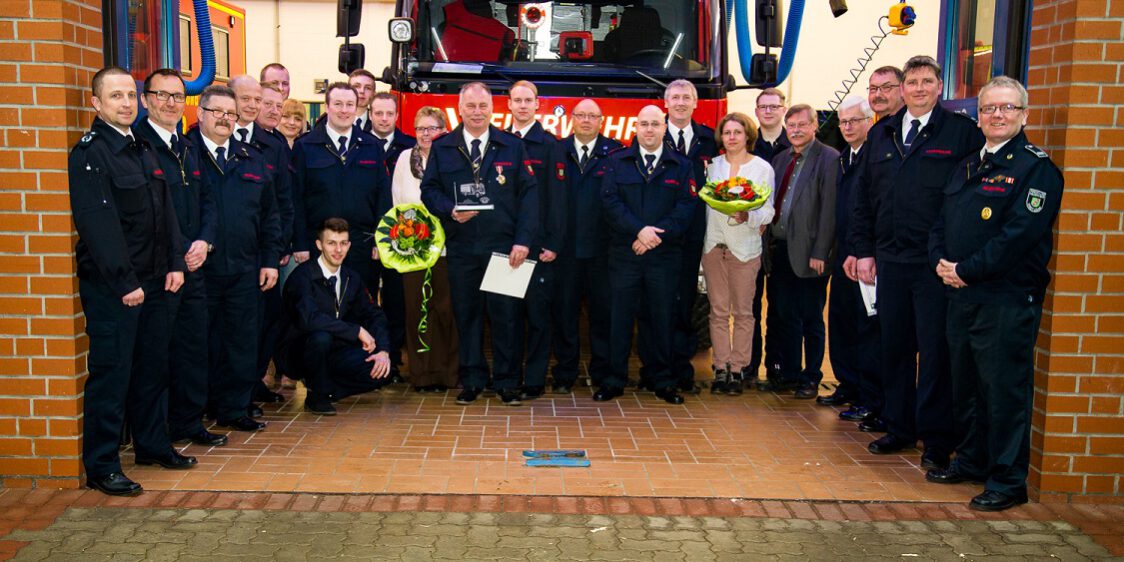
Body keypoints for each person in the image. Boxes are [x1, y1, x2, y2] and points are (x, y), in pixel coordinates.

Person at [926, 76, 1063, 512]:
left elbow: (1018, 236)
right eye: (989, 109)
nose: (997, 115)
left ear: (1024, 115)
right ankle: (971, 459)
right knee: (965, 385)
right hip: (962, 295)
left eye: (1007, 108)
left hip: (1005, 299)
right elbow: (940, 222)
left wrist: (966, 270)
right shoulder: (968, 163)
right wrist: (941, 263)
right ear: (978, 115)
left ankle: (1007, 480)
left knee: (1003, 392)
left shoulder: (1035, 168)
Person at [847, 55, 984, 469]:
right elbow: (863, 199)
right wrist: (863, 249)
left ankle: (937, 438)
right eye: (912, 81)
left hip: (934, 265)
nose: (919, 88)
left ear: (939, 87)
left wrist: (955, 255)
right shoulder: (882, 133)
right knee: (895, 348)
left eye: (927, 81)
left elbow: (970, 197)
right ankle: (900, 427)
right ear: (901, 89)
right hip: (889, 260)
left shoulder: (961, 134)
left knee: (935, 352)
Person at [70, 67, 191, 495]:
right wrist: (125, 283)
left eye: (130, 95)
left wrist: (175, 262)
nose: (125, 103)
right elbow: (97, 225)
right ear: (96, 104)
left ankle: (152, 444)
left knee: (153, 367)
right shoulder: (90, 153)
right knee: (112, 374)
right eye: (115, 95)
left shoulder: (141, 148)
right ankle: (102, 465)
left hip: (158, 281)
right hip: (115, 289)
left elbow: (166, 213)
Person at [420, 81, 538, 406]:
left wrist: (523, 241)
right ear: (459, 109)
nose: (476, 112)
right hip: (462, 249)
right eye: (470, 106)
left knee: (507, 317)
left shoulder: (511, 146)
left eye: (482, 106)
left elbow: (529, 197)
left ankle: (507, 382)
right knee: (467, 316)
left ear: (492, 108)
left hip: (504, 249)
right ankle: (472, 379)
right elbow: (429, 191)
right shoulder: (443, 146)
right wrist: (450, 210)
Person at [135, 69, 226, 448]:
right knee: (157, 358)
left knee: (193, 348)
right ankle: (154, 440)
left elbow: (207, 200)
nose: (171, 103)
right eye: (162, 95)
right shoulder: (138, 146)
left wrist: (204, 241)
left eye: (177, 96)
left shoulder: (187, 147)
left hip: (194, 264)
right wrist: (181, 251)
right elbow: (151, 213)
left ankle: (188, 422)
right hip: (163, 269)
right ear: (146, 100)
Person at [187, 84, 282, 433]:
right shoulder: (187, 153)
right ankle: (200, 409)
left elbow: (270, 216)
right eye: (218, 112)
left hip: (245, 267)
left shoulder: (251, 157)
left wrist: (270, 259)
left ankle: (235, 408)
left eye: (230, 113)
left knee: (242, 340)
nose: (226, 119)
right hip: (201, 269)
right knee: (200, 342)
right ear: (200, 114)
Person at [600, 105, 695, 405]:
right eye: (644, 124)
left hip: (663, 256)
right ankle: (614, 379)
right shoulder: (617, 161)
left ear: (665, 127)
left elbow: (685, 208)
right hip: (625, 254)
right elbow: (609, 202)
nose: (650, 129)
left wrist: (654, 236)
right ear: (636, 127)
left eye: (655, 124)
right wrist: (638, 231)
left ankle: (662, 380)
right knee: (619, 319)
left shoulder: (681, 165)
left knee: (662, 318)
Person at [279, 218, 393, 414]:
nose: (338, 250)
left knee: (383, 370)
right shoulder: (302, 277)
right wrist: (356, 331)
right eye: (331, 243)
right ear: (319, 245)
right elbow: (309, 319)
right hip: (298, 352)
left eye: (343, 243)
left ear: (349, 245)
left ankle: (328, 390)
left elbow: (374, 315)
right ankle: (317, 396)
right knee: (320, 337)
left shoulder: (351, 277)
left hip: (336, 350)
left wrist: (383, 351)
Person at [291, 82, 391, 299]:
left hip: (361, 246)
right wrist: (299, 243)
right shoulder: (305, 146)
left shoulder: (372, 146)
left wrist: (380, 240)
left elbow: (383, 197)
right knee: (320, 307)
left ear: (357, 108)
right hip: (318, 244)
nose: (344, 110)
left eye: (349, 104)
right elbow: (295, 199)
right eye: (338, 104)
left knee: (362, 305)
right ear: (327, 106)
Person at [230, 75, 294, 409]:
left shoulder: (274, 145)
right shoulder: (206, 139)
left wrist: (279, 248)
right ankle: (232, 390)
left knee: (267, 321)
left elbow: (283, 202)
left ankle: (253, 382)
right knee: (234, 327)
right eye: (250, 100)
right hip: (228, 253)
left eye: (261, 101)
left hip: (266, 254)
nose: (255, 106)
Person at [549, 100, 622, 395]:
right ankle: (565, 372)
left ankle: (602, 371)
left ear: (602, 121)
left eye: (593, 116)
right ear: (572, 119)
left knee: (602, 315)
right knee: (564, 314)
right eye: (581, 115)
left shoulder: (616, 152)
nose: (587, 121)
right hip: (564, 250)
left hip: (603, 250)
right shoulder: (556, 150)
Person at [767, 104, 838, 399]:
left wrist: (821, 251)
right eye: (791, 126)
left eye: (801, 125)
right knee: (786, 314)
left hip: (811, 253)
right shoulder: (781, 158)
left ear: (814, 126)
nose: (795, 130)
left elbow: (829, 211)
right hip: (781, 250)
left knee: (810, 316)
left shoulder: (829, 158)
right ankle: (791, 372)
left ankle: (811, 376)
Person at [702, 113, 775, 395]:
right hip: (713, 247)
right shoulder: (712, 166)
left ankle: (738, 368)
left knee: (744, 312)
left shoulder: (761, 168)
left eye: (737, 132)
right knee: (718, 311)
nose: (732, 137)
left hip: (744, 249)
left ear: (748, 136)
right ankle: (720, 368)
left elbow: (768, 209)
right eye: (727, 132)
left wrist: (750, 216)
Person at [821, 96, 883, 426]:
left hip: (864, 258)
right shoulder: (844, 159)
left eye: (854, 121)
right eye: (842, 122)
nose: (847, 127)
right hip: (843, 255)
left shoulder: (873, 160)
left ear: (869, 122)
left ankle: (867, 395)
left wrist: (862, 251)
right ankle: (847, 383)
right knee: (842, 322)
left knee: (866, 327)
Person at [390, 106, 460, 393]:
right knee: (417, 312)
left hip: (447, 249)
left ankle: (446, 373)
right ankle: (421, 375)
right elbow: (396, 204)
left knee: (446, 311)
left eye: (432, 128)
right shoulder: (404, 159)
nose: (426, 134)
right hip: (414, 250)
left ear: (443, 131)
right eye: (421, 128)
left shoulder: (452, 158)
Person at [507, 80, 563, 400]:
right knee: (508, 316)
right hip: (507, 246)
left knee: (539, 317)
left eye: (529, 100)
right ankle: (509, 376)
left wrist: (553, 243)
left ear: (537, 104)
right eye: (518, 100)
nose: (524, 105)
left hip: (539, 248)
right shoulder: (499, 142)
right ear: (510, 105)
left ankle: (534, 378)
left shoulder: (551, 145)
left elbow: (557, 201)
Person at [661, 79, 717, 394]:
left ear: (695, 104)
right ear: (665, 103)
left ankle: (681, 370)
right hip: (661, 234)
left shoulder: (709, 140)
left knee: (685, 303)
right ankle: (656, 367)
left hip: (693, 233)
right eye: (675, 97)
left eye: (686, 97)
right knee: (657, 303)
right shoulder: (650, 135)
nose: (681, 102)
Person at [368, 91, 417, 382]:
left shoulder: (409, 147)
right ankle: (368, 354)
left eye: (390, 114)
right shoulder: (359, 144)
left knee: (397, 299)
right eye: (379, 113)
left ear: (397, 116)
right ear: (370, 114)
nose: (384, 119)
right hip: (367, 238)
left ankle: (394, 359)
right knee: (366, 297)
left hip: (403, 237)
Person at [749, 87, 791, 391]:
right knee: (749, 306)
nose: (768, 111)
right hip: (752, 236)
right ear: (756, 111)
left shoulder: (797, 144)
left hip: (785, 240)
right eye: (763, 106)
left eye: (773, 106)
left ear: (783, 109)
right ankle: (748, 365)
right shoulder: (748, 148)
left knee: (780, 306)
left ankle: (777, 366)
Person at [349, 69, 378, 133]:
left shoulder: (381, 123)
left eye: (368, 88)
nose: (362, 91)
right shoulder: (329, 121)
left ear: (374, 94)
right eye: (356, 86)